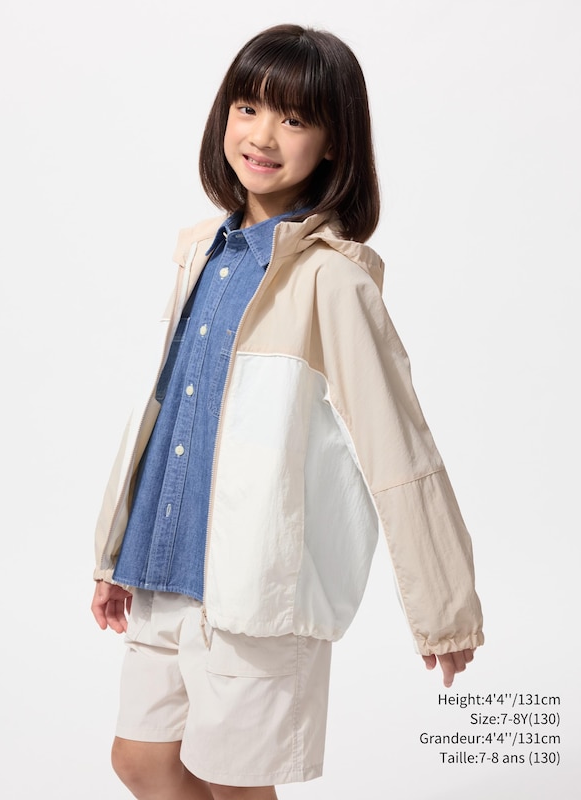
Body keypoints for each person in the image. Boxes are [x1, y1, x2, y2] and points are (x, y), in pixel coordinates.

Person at [91, 23, 483, 800]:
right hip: (164, 570)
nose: (263, 136)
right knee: (141, 760)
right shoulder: (199, 253)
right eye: (248, 108)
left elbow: (399, 448)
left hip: (253, 591)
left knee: (237, 785)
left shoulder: (332, 282)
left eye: (295, 118)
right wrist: (115, 552)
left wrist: (444, 609)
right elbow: (164, 414)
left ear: (334, 143)